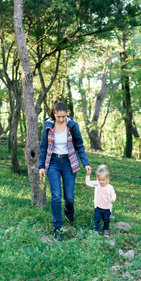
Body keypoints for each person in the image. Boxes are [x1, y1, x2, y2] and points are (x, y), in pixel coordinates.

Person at [39, 100, 91, 241]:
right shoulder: (48, 126)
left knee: (69, 197)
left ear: (67, 114)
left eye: (64, 116)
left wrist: (85, 163)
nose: (61, 119)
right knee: (56, 196)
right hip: (53, 163)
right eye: (59, 117)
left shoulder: (73, 126)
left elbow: (79, 145)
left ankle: (69, 212)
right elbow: (43, 147)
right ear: (54, 114)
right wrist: (41, 166)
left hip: (69, 162)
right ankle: (57, 228)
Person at [85, 164, 116, 237]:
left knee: (106, 220)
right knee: (97, 219)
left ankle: (106, 230)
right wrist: (88, 176)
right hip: (98, 206)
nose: (101, 182)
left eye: (103, 180)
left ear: (107, 179)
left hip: (107, 208)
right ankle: (96, 230)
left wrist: (112, 199)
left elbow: (114, 194)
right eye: (99, 180)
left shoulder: (110, 187)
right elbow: (88, 183)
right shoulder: (96, 184)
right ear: (97, 179)